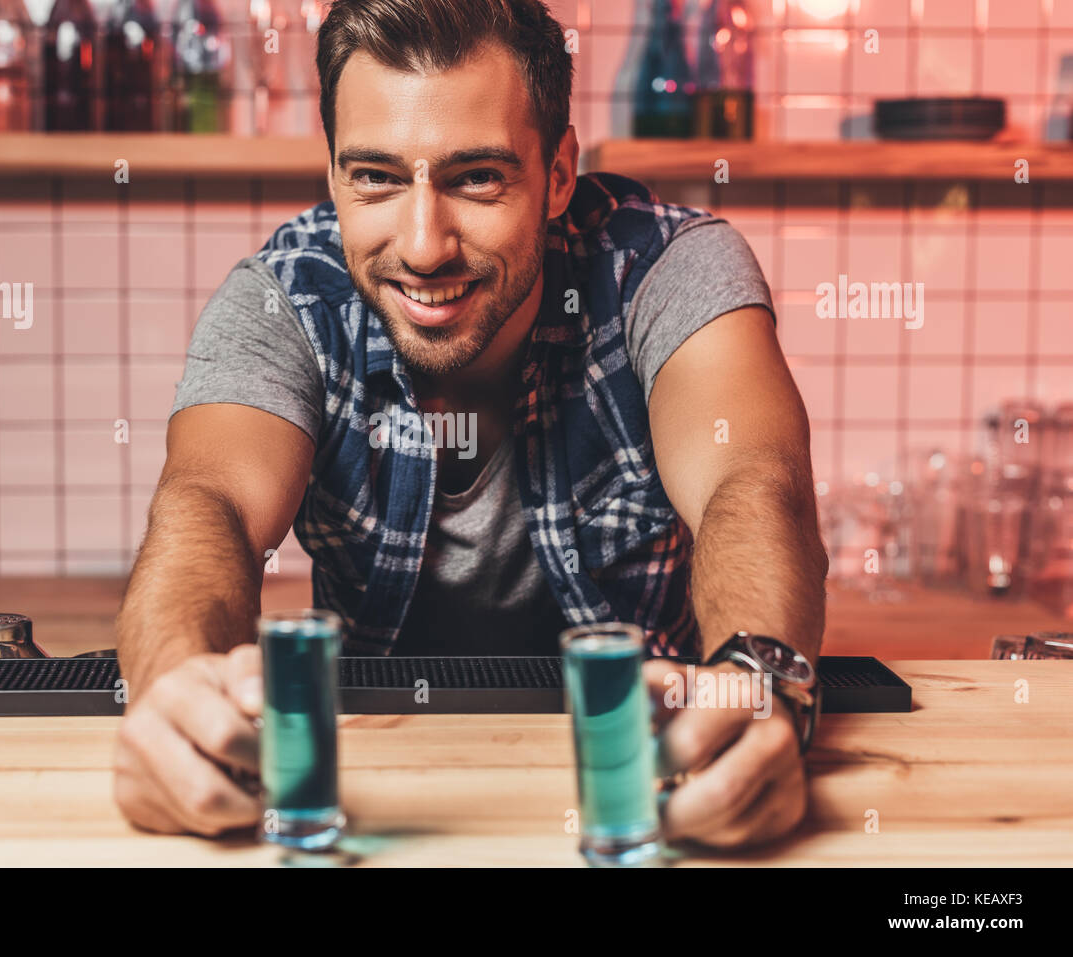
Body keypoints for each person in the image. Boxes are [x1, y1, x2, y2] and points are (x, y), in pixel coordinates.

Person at [114, 0, 827, 849]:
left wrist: (757, 684)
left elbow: (752, 482)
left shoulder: (669, 267)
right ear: (335, 171)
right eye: (375, 175)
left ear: (559, 172)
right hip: (372, 809)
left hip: (649, 794)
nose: (423, 246)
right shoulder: (281, 301)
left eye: (476, 177)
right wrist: (172, 696)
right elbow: (209, 505)